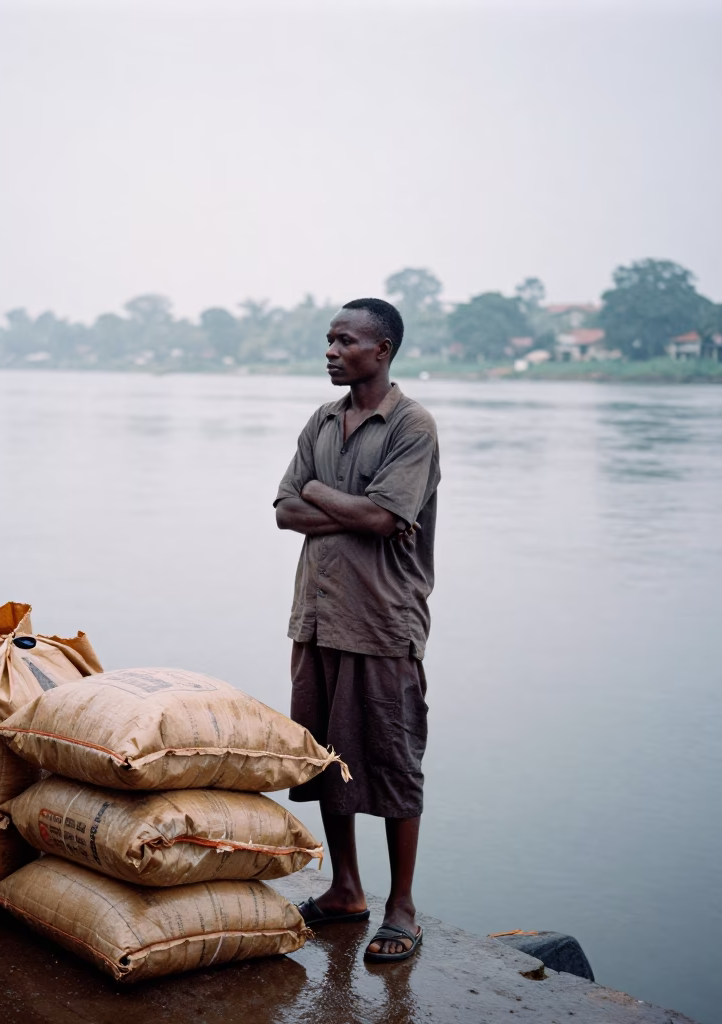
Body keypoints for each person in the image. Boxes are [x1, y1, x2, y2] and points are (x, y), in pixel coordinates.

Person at [273, 297, 441, 963]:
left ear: (383, 350)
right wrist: (326, 499)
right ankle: (346, 890)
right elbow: (283, 509)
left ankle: (402, 907)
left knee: (394, 761)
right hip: (316, 617)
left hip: (381, 621)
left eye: (346, 341)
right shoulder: (321, 419)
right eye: (329, 339)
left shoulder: (411, 426)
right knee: (323, 758)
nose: (332, 351)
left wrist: (319, 493)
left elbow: (383, 520)